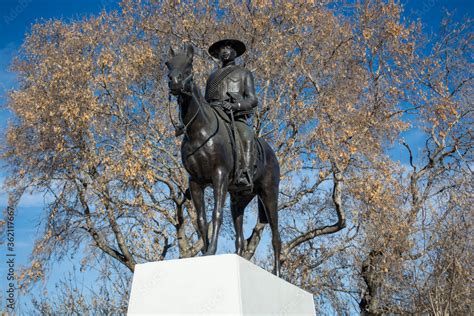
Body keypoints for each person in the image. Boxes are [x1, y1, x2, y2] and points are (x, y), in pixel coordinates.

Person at [205, 39, 257, 188]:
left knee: (246, 136)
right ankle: (196, 176)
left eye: (229, 48)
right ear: (218, 54)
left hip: (233, 116)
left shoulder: (244, 73)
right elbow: (205, 101)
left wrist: (235, 106)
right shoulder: (212, 78)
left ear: (235, 52)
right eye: (222, 49)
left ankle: (245, 174)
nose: (225, 51)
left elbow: (252, 100)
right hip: (213, 115)